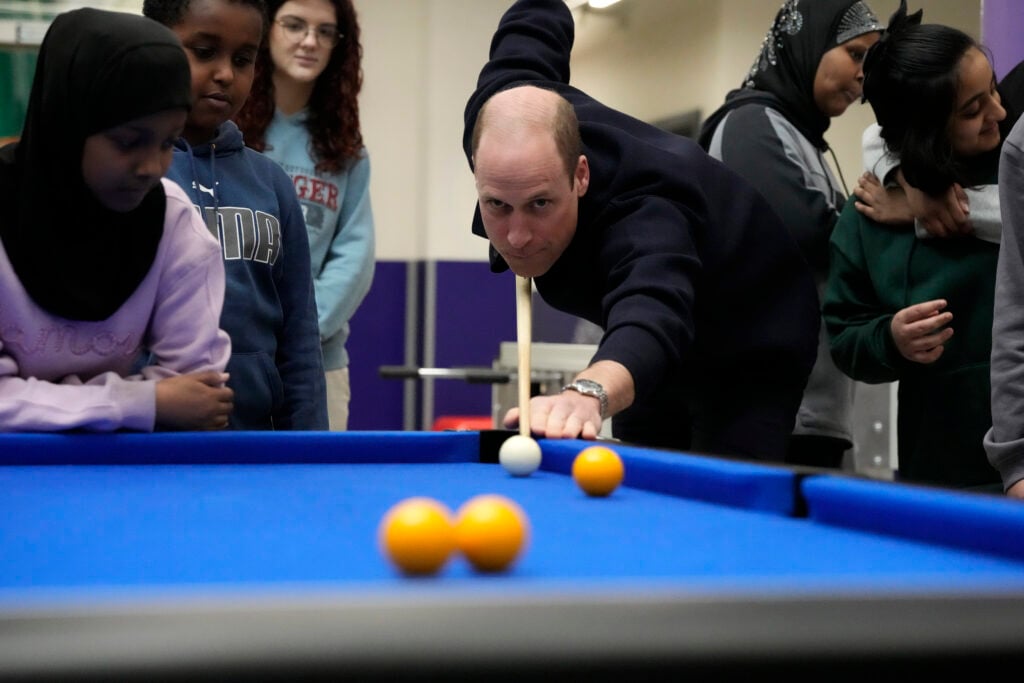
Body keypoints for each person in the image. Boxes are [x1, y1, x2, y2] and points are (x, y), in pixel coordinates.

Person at [463, 0, 820, 462]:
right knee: (642, 468)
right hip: (655, 354)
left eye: (539, 203)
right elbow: (533, 29)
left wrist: (587, 393)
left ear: (581, 176)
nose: (516, 236)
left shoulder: (646, 211)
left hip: (752, 336)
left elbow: (651, 312)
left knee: (716, 497)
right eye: (497, 205)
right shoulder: (496, 113)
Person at [0, 7, 233, 431]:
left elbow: (196, 394)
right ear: (68, 126)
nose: (151, 167)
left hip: (117, 475)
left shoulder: (175, 225)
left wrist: (44, 401)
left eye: (168, 142)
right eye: (129, 141)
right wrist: (139, 402)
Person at [823, 2, 1004, 490]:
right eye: (973, 110)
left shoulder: (1017, 160)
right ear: (923, 132)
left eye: (994, 91)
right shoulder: (867, 214)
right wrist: (890, 340)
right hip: (943, 470)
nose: (1000, 113)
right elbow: (845, 336)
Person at [697, 0, 883, 470]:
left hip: (801, 410)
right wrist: (898, 212)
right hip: (768, 410)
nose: (865, 74)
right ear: (808, 47)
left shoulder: (797, 135)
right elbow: (801, 230)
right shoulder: (750, 124)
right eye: (856, 54)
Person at [143, 0, 329, 431]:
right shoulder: (129, 175)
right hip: (142, 445)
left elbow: (300, 339)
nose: (226, 73)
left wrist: (309, 449)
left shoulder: (272, 183)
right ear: (152, 48)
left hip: (254, 444)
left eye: (243, 59)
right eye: (204, 52)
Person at [234, 0, 375, 431]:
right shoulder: (228, 128)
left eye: (325, 31)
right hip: (233, 358)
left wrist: (300, 336)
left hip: (319, 363)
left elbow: (355, 254)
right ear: (266, 31)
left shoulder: (346, 147)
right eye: (294, 25)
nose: (310, 41)